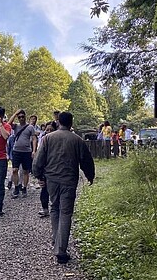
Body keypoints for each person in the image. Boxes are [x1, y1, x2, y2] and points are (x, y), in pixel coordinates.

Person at [33, 111, 95, 264]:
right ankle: (61, 250)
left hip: (51, 180)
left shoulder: (47, 138)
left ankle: (56, 241)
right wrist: (90, 176)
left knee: (54, 207)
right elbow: (86, 161)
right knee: (66, 212)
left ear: (59, 122)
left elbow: (38, 160)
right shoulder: (77, 140)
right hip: (69, 180)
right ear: (71, 123)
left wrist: (39, 176)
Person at [9, 109, 37, 198]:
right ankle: (16, 187)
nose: (21, 118)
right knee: (14, 170)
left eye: (22, 116)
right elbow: (8, 124)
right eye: (19, 117)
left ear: (25, 117)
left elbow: (34, 139)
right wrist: (15, 113)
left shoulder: (30, 127)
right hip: (16, 151)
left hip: (26, 151)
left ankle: (24, 188)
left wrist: (34, 150)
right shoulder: (16, 126)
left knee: (26, 171)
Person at [37, 121, 56, 217]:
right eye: (47, 130)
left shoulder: (58, 141)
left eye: (51, 130)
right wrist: (38, 174)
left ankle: (56, 208)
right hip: (45, 169)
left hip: (56, 169)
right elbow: (39, 157)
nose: (49, 131)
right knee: (44, 190)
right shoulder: (43, 140)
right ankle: (45, 209)